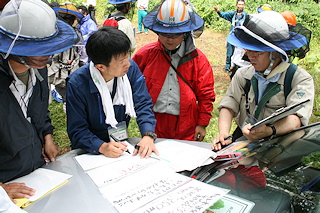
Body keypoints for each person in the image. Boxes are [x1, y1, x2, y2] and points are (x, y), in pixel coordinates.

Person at [0, 0, 77, 202]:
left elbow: (40, 111)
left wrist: (47, 136)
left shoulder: (39, 68)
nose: (47, 55)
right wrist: (1, 191)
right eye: (37, 49)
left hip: (35, 172)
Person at [212, 10, 314, 151]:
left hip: (280, 148)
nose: (250, 57)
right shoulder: (243, 74)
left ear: (276, 52)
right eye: (248, 50)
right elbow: (229, 104)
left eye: (257, 52)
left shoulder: (299, 79)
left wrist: (269, 130)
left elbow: (296, 119)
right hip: (244, 143)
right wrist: (223, 134)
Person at [66, 26, 158, 159]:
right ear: (101, 67)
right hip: (89, 151)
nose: (128, 64)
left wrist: (148, 134)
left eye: (127, 57)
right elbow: (77, 129)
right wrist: (102, 146)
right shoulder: (78, 84)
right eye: (121, 61)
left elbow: (143, 103)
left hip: (120, 145)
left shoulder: (130, 71)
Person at [133, 0, 215, 141]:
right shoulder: (145, 55)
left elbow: (206, 95)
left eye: (175, 35)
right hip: (155, 121)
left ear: (184, 32)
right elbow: (130, 83)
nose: (169, 39)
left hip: (186, 122)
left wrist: (202, 123)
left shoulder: (198, 59)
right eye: (164, 34)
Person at [49, 2, 88, 109]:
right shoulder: (76, 35)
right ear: (72, 20)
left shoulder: (52, 33)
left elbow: (47, 56)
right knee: (73, 98)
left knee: (65, 95)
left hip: (55, 75)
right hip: (73, 74)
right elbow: (83, 56)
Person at [213, 0, 247, 73]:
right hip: (232, 36)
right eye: (239, 4)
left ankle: (237, 67)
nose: (240, 6)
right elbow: (224, 15)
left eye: (242, 4)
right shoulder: (233, 14)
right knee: (229, 52)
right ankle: (228, 67)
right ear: (236, 5)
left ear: (244, 6)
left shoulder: (246, 16)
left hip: (240, 38)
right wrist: (218, 11)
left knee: (239, 53)